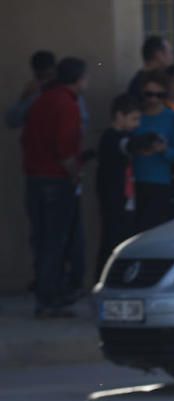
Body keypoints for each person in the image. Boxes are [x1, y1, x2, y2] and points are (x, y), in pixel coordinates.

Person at [21, 57, 87, 318]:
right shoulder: (66, 104)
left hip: (35, 179)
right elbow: (65, 149)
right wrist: (74, 175)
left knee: (43, 239)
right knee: (55, 242)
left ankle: (49, 292)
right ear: (77, 79)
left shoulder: (41, 100)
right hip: (55, 181)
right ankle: (49, 299)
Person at [96, 94, 151, 274]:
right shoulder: (111, 137)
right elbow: (126, 146)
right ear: (120, 116)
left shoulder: (124, 136)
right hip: (114, 201)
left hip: (126, 199)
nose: (137, 124)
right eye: (133, 118)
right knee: (111, 243)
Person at [133, 70, 174, 232]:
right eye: (149, 94)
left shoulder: (172, 118)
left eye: (159, 95)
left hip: (160, 183)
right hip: (134, 182)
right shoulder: (136, 116)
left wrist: (163, 150)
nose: (153, 99)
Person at [5, 50, 56, 129]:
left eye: (48, 76)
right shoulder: (33, 92)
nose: (45, 81)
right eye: (41, 77)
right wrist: (24, 97)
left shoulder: (66, 91)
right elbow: (12, 121)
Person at [126, 35, 174, 99]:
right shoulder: (138, 85)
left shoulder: (136, 82)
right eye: (170, 52)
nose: (172, 56)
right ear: (159, 54)